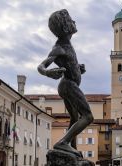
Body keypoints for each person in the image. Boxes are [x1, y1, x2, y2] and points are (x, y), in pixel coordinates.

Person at [37, 9, 93, 156]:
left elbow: (70, 65)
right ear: (65, 26)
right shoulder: (59, 47)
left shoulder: (67, 45)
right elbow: (41, 66)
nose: (74, 22)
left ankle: (71, 148)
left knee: (75, 118)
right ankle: (63, 142)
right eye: (71, 20)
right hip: (68, 85)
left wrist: (78, 69)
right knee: (88, 117)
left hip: (67, 84)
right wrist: (48, 72)